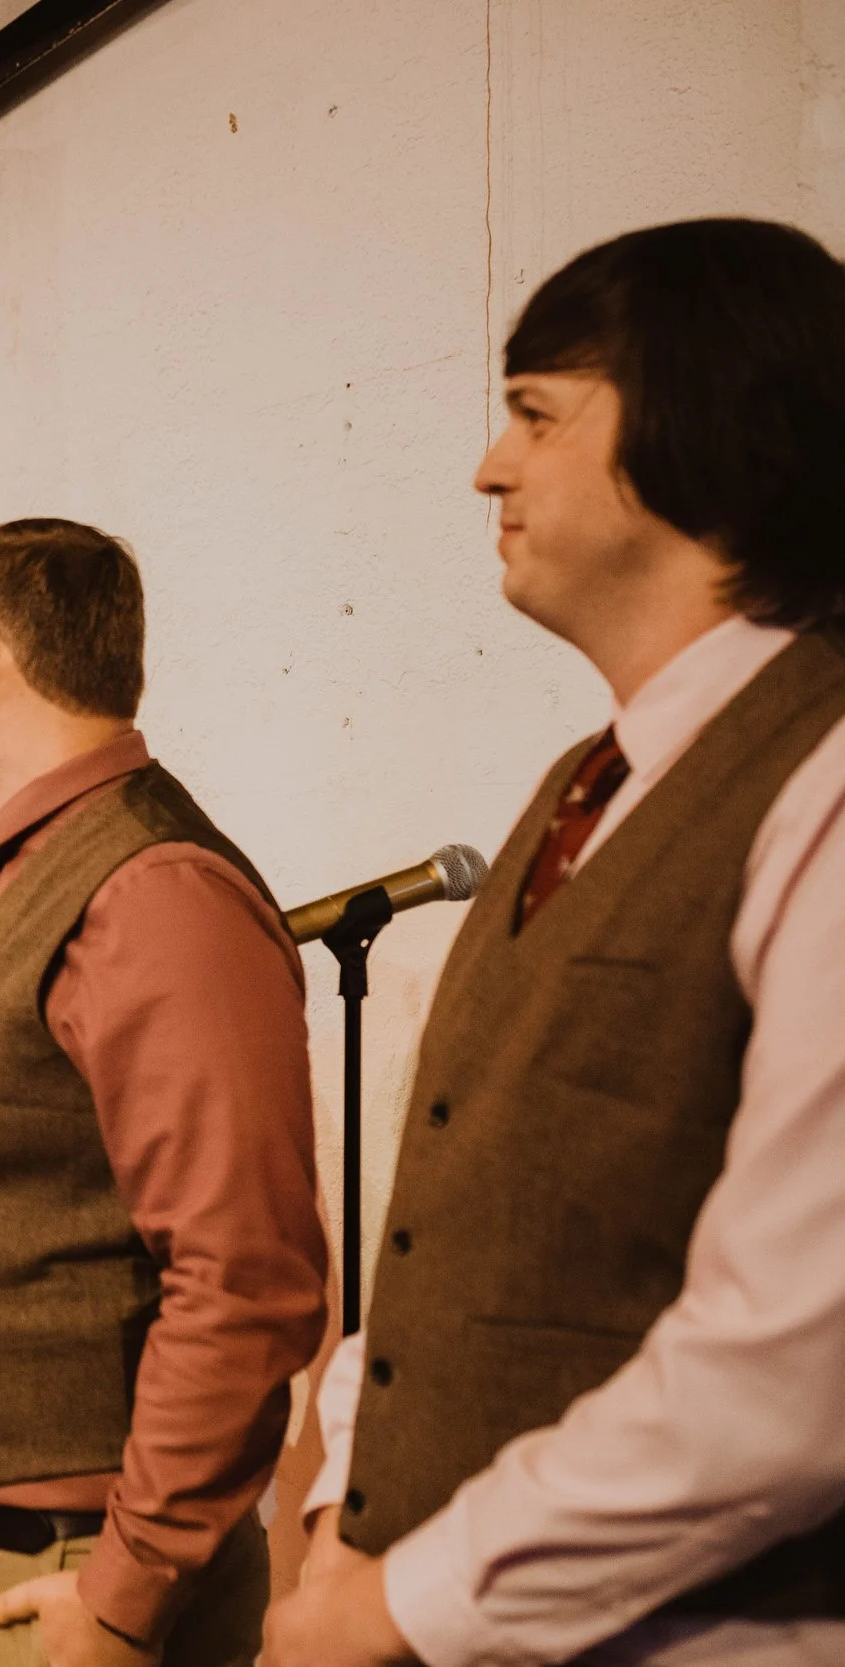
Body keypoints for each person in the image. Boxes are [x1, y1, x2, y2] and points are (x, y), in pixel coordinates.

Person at [267, 220, 845, 1667]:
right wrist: (351, 1504)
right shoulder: (588, 780)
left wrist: (407, 1595)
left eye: (535, 414)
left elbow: (793, 1366)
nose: (488, 465)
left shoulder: (821, 780)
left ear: (702, 426)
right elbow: (455, 1229)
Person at [0, 521, 329, 1667]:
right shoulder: (18, 862)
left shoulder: (152, 885)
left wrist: (122, 1592)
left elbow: (244, 1274)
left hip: (56, 1571)